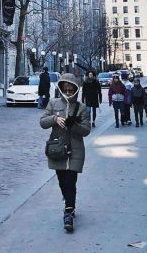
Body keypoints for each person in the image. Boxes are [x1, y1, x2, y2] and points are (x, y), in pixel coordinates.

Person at [40, 73, 90, 232]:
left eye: (71, 90)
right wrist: (55, 119)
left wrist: (72, 124)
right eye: (65, 90)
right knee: (63, 182)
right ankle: (69, 202)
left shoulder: (81, 107)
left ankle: (68, 212)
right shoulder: (53, 103)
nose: (68, 93)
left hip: (75, 150)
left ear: (75, 90)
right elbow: (42, 122)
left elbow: (86, 130)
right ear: (61, 89)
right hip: (58, 150)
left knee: (70, 181)